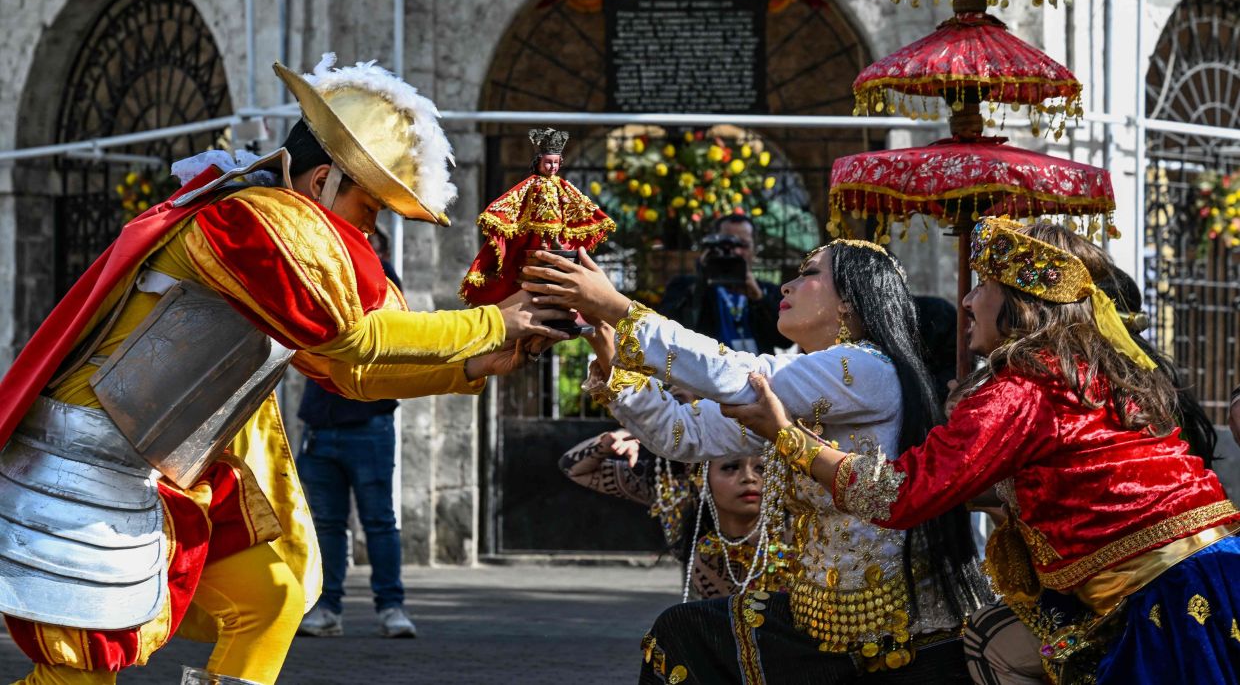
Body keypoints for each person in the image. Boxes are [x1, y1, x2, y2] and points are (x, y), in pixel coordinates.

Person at [0, 53, 567, 685]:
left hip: (151, 469)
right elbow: (357, 345)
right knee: (78, 673)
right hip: (88, 470)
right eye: (370, 205)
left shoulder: (272, 225)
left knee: (268, 599)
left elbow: (351, 372)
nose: (372, 227)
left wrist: (490, 354)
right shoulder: (251, 221)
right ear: (322, 179)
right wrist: (497, 323)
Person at [722, 217, 1240, 685]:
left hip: (1168, 599)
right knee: (992, 637)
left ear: (1019, 300)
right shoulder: (1088, 371)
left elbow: (899, 496)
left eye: (984, 286)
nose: (967, 302)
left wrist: (784, 433)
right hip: (1214, 568)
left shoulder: (1022, 388)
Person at [524, 240, 988, 682]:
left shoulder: (867, 368)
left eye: (807, 274)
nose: (785, 286)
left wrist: (622, 308)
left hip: (893, 633)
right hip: (825, 620)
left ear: (849, 301)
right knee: (684, 633)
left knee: (685, 635)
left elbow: (738, 375)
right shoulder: (804, 389)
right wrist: (610, 351)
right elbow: (682, 434)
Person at [961, 253, 1219, 685]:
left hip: (1147, 591)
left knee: (993, 638)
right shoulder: (1082, 381)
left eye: (985, 287)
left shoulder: (1078, 388)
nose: (969, 301)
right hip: (1118, 583)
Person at [294, 229, 414, 639]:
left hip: (368, 425)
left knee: (378, 520)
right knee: (327, 523)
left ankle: (391, 607)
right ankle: (327, 608)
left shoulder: (383, 282)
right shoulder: (324, 277)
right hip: (321, 426)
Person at [559, 426, 787, 599]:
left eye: (762, 468)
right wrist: (611, 440)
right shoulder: (667, 484)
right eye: (730, 467)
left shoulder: (799, 513)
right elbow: (574, 468)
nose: (749, 478)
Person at [460, 127, 613, 306]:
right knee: (540, 240)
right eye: (548, 162)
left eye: (556, 163)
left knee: (554, 233)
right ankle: (542, 243)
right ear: (538, 162)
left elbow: (573, 197)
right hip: (537, 218)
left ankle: (554, 242)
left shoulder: (559, 184)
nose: (552, 167)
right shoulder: (532, 184)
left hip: (556, 217)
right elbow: (515, 196)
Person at [660, 214, 787, 355]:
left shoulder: (767, 290)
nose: (736, 251)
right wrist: (702, 278)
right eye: (727, 244)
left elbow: (784, 340)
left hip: (759, 374)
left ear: (754, 249)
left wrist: (760, 299)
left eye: (743, 245)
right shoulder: (685, 286)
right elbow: (669, 331)